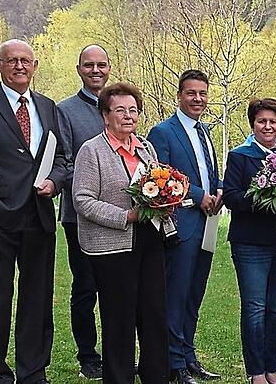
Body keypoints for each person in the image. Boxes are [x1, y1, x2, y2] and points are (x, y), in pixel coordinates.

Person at [0, 39, 68, 384]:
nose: (19, 66)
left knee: (37, 299)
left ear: (35, 65)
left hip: (38, 215)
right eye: (11, 60)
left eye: (25, 60)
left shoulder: (47, 106)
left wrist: (55, 183)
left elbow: (61, 157)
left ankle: (32, 370)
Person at [72, 82, 171, 384]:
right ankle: (118, 378)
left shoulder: (145, 147)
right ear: (105, 115)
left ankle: (156, 377)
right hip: (113, 247)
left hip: (150, 241)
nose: (128, 116)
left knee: (153, 315)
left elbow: (158, 186)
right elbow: (82, 200)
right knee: (119, 320)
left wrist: (166, 200)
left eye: (133, 110)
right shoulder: (92, 151)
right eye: (120, 110)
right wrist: (126, 216)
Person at [147, 70, 223, 383]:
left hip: (208, 223)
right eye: (191, 93)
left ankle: (188, 354)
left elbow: (210, 170)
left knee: (194, 294)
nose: (198, 99)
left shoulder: (205, 130)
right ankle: (172, 363)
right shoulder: (163, 132)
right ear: (179, 95)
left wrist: (218, 189)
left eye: (203, 93)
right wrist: (197, 195)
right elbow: (159, 175)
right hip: (181, 224)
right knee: (175, 295)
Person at [222, 98, 276, 384]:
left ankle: (272, 368)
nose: (268, 126)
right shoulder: (240, 156)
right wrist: (264, 196)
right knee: (255, 307)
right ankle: (256, 371)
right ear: (252, 124)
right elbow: (231, 196)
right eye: (261, 121)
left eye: (273, 121)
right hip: (252, 243)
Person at [56, 44, 111, 380]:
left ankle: (116, 352)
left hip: (120, 220)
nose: (95, 71)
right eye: (89, 65)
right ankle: (88, 356)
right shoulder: (66, 110)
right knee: (86, 287)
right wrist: (98, 187)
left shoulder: (120, 105)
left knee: (117, 289)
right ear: (79, 69)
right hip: (80, 217)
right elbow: (63, 163)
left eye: (101, 65)